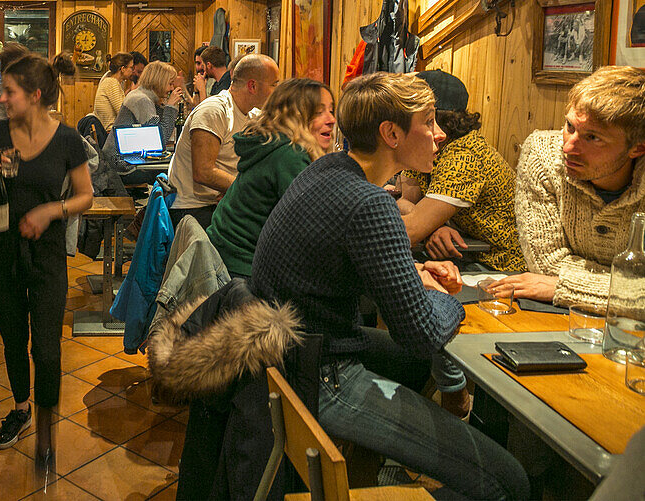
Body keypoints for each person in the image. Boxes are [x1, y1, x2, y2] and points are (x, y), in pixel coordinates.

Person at [251, 72, 529, 501]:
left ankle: (382, 460)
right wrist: (451, 300)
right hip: (320, 373)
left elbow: (342, 266)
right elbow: (420, 333)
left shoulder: (329, 169)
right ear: (391, 133)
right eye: (431, 121)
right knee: (508, 482)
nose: (439, 135)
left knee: (413, 366)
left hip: (287, 355)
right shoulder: (369, 203)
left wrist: (411, 274)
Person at [0, 55, 93, 468]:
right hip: (2, 253)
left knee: (45, 347)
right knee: (11, 340)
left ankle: (46, 425)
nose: (1, 98)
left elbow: (85, 196)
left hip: (46, 256)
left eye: (10, 92)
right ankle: (21, 407)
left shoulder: (67, 139)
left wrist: (49, 211)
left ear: (35, 95)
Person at [493, 66, 645, 310]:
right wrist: (629, 289)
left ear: (638, 148)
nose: (568, 148)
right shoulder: (543, 155)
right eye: (570, 127)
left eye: (592, 138)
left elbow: (551, 279)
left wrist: (563, 286)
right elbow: (546, 264)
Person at [397, 70, 526, 272]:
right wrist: (432, 227)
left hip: (498, 265)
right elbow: (407, 201)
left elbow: (410, 231)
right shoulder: (428, 146)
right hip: (466, 253)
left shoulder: (464, 156)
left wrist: (424, 225)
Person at [206, 78, 335, 279]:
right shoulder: (289, 154)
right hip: (243, 270)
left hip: (223, 255)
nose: (331, 119)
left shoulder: (273, 144)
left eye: (331, 110)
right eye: (319, 112)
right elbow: (314, 227)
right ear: (295, 116)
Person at [166, 53, 280, 229]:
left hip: (218, 203)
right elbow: (203, 172)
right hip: (193, 210)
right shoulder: (214, 111)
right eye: (274, 84)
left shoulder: (252, 114)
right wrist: (243, 189)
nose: (277, 91)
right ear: (253, 86)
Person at [101, 61, 183, 185]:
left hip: (121, 160)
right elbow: (160, 141)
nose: (171, 88)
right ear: (159, 81)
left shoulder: (143, 96)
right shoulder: (141, 100)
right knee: (174, 173)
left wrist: (162, 106)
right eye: (170, 84)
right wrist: (171, 107)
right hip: (121, 167)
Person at [93, 52, 133, 130]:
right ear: (123, 69)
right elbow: (123, 113)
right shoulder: (112, 83)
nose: (132, 70)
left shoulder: (111, 82)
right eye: (131, 67)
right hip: (110, 133)